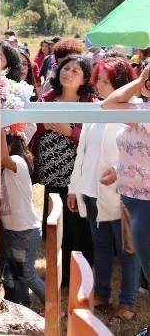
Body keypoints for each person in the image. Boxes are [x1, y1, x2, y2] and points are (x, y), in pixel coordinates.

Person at [67, 56, 140, 320]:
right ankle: (101, 295)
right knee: (101, 247)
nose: (98, 84)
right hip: (92, 192)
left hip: (123, 194)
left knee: (128, 250)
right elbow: (83, 153)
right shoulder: (95, 110)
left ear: (120, 83)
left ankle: (128, 302)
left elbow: (138, 152)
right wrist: (74, 188)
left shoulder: (135, 110)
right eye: (97, 78)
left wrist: (119, 174)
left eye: (105, 81)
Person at [29, 53, 95, 285]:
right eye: (66, 69)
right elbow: (31, 130)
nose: (68, 73)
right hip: (52, 173)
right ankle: (60, 273)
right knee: (56, 225)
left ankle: (79, 274)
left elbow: (93, 138)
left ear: (85, 78)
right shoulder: (47, 99)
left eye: (75, 71)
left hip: (77, 175)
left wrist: (70, 132)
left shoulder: (90, 104)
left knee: (78, 227)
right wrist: (42, 127)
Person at [101, 64, 150, 323]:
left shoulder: (144, 113)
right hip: (134, 199)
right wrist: (118, 169)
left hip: (146, 203)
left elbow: (108, 103)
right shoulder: (141, 111)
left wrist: (141, 78)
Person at [0, 130, 45, 308]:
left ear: (8, 146)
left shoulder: (18, 162)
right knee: (17, 272)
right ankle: (24, 305)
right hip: (13, 230)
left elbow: (3, 158)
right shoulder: (6, 168)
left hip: (26, 231)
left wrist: (0, 129)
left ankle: (53, 307)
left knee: (27, 273)